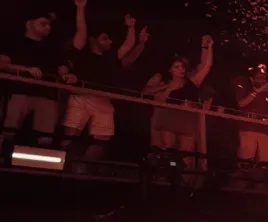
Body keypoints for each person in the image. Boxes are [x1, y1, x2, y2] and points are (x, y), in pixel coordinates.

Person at [62, 3, 147, 160]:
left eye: (109, 39)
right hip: (80, 96)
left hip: (103, 99)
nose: (109, 42)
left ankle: (84, 168)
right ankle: (64, 165)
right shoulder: (81, 53)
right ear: (93, 40)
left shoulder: (110, 58)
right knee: (69, 137)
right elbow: (81, 30)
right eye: (105, 38)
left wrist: (131, 27)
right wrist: (80, 7)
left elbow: (128, 45)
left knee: (101, 141)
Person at [1, 11, 69, 148]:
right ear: (29, 24)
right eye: (43, 24)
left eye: (49, 25)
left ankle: (40, 160)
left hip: (47, 94)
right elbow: (3, 64)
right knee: (8, 130)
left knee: (46, 137)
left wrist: (67, 75)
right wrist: (26, 69)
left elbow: (62, 68)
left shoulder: (53, 47)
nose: (48, 27)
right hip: (19, 91)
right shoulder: (15, 42)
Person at [143, 37, 214, 168]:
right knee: (168, 151)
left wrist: (208, 48)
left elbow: (207, 66)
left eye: (182, 67)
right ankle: (166, 174)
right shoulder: (164, 83)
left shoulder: (192, 82)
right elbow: (151, 95)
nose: (181, 69)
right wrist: (168, 88)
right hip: (169, 119)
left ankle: (180, 177)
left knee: (185, 154)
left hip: (187, 120)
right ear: (170, 70)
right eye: (177, 67)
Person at [234, 65, 268, 165]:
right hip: (249, 129)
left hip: (267, 132)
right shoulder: (244, 90)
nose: (263, 80)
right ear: (252, 79)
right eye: (260, 78)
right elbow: (241, 103)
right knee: (246, 162)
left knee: (264, 163)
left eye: (264, 78)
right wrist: (256, 91)